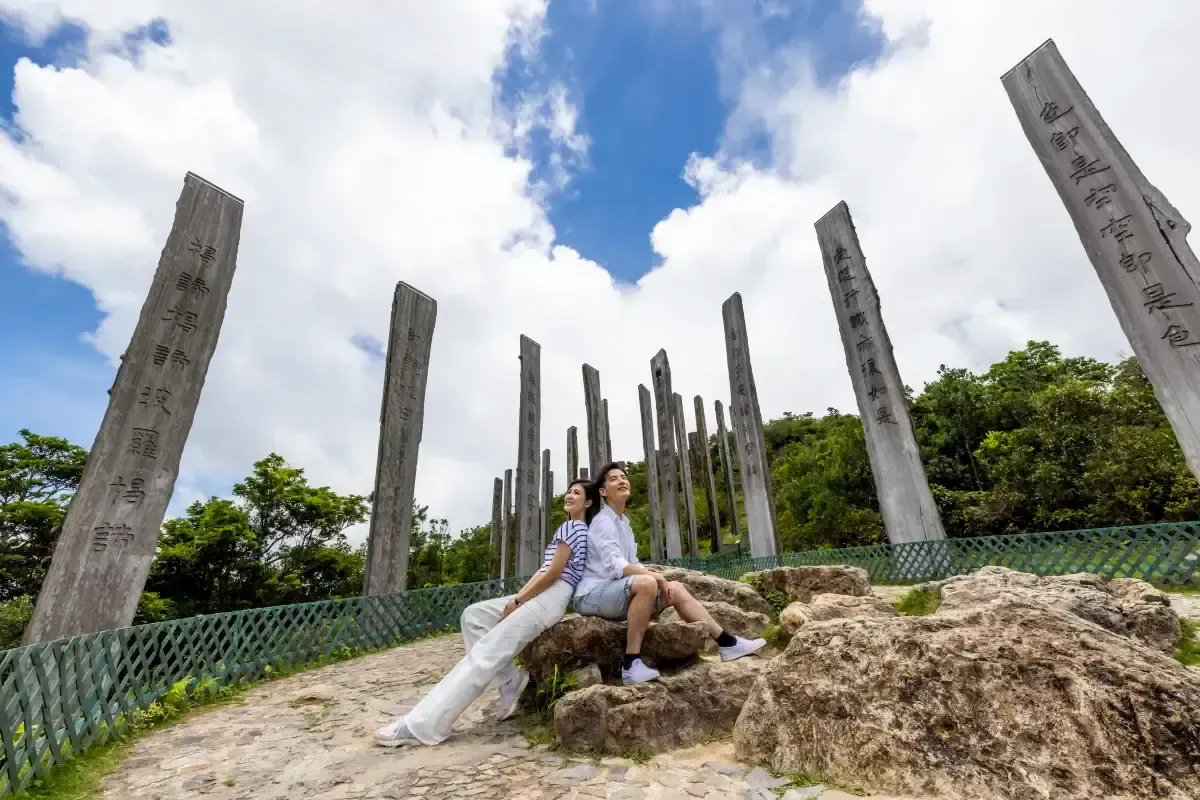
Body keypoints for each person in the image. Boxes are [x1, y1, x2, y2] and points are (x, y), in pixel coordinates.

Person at [373, 478, 601, 747]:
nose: (569, 495)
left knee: (485, 655)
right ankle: (510, 680)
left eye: (577, 493)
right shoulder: (569, 527)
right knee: (475, 616)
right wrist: (517, 598)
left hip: (551, 596)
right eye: (569, 491)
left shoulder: (574, 527)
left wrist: (519, 602)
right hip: (545, 594)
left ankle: (422, 726)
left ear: (587, 502)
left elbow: (553, 573)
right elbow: (543, 570)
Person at [574, 462, 766, 685]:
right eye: (614, 478)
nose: (622, 480)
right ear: (603, 491)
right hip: (592, 594)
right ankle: (630, 664)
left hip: (614, 592)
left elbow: (632, 563)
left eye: (624, 477)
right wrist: (655, 577)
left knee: (676, 588)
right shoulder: (602, 522)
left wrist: (659, 579)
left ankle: (727, 643)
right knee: (647, 583)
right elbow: (618, 567)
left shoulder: (623, 524)